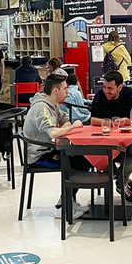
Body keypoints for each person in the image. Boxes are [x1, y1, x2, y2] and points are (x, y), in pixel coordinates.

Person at [23, 74, 89, 218]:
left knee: (83, 159)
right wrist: (72, 128)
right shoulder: (42, 108)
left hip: (47, 149)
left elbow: (65, 119)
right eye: (65, 89)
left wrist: (64, 130)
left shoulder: (53, 105)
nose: (68, 92)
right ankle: (62, 205)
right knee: (77, 163)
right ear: (55, 91)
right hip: (38, 155)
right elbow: (53, 133)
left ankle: (68, 200)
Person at [89, 71, 132, 202]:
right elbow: (93, 119)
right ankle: (122, 182)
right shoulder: (100, 96)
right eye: (104, 87)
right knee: (98, 153)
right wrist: (107, 122)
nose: (106, 91)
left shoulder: (128, 94)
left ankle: (120, 183)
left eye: (110, 88)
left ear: (120, 87)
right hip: (104, 137)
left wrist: (123, 120)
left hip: (125, 137)